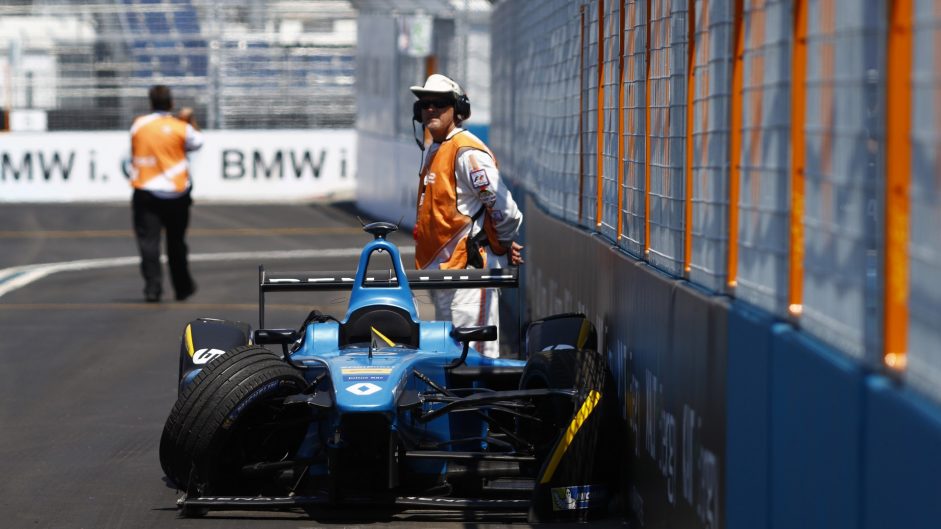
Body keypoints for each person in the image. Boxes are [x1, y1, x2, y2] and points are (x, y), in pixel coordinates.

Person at [410, 74, 524, 358]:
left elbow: (506, 209)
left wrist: (504, 243)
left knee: (475, 363)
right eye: (425, 104)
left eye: (440, 103)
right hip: (446, 277)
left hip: (470, 277)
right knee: (451, 361)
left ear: (457, 110)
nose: (430, 109)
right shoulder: (436, 149)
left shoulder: (466, 151)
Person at [130, 85, 203, 302]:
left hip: (146, 190)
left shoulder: (139, 125)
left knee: (148, 243)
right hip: (176, 194)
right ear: (170, 103)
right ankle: (182, 288)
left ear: (151, 103)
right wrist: (188, 120)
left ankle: (153, 288)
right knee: (177, 242)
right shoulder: (181, 127)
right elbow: (197, 143)